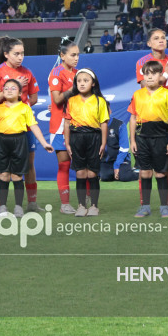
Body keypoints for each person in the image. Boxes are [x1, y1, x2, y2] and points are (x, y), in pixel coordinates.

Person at [0, 79, 53, 218]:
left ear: (20, 93)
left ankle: (18, 207)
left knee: (17, 176)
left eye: (13, 88)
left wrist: (44, 143)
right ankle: (3, 207)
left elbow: (34, 126)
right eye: (6, 88)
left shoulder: (25, 108)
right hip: (2, 142)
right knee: (4, 175)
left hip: (20, 142)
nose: (9, 90)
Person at [0, 37, 41, 212]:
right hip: (4, 128)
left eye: (22, 53)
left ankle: (31, 203)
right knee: (2, 168)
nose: (20, 57)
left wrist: (20, 107)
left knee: (28, 165)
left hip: (24, 127)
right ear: (6, 54)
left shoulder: (28, 72)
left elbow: (33, 98)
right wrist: (16, 85)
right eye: (16, 54)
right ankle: (0, 204)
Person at [135, 29, 168, 209]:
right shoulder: (143, 62)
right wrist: (165, 75)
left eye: (163, 37)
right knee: (145, 164)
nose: (161, 41)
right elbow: (144, 87)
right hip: (147, 117)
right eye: (156, 38)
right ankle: (144, 202)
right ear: (149, 43)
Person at [130, 61, 168, 218]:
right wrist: (132, 140)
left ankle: (164, 206)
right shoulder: (137, 95)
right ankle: (145, 206)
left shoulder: (167, 94)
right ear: (143, 76)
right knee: (144, 172)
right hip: (142, 137)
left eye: (154, 73)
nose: (150, 76)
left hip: (160, 137)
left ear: (160, 76)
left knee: (160, 173)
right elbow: (132, 118)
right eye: (147, 73)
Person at [63, 68, 109, 217]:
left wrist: (103, 143)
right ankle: (82, 205)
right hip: (77, 138)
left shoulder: (99, 101)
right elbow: (66, 123)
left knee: (92, 173)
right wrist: (68, 143)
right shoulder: (71, 101)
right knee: (81, 173)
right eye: (79, 81)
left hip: (94, 137)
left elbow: (103, 124)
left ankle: (94, 206)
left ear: (93, 83)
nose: (82, 84)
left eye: (86, 80)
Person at [48, 38, 80, 213]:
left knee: (83, 164)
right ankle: (65, 204)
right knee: (65, 164)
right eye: (72, 55)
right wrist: (73, 89)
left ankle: (85, 201)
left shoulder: (78, 73)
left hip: (79, 123)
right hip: (60, 125)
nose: (76, 58)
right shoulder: (57, 72)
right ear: (62, 55)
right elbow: (57, 99)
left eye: (78, 55)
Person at [100, 117, 138, 182]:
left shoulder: (120, 124)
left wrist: (116, 165)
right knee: (105, 177)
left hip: (122, 159)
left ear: (110, 111)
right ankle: (114, 172)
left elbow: (124, 147)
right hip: (106, 160)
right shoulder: (95, 125)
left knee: (125, 177)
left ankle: (137, 171)